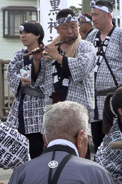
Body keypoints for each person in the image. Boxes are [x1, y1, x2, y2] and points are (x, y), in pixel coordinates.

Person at [86, 0, 122, 153]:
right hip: (94, 101)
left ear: (108, 15)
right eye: (92, 15)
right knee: (98, 147)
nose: (94, 18)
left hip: (114, 99)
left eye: (97, 15)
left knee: (117, 144)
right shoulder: (91, 36)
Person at [42, 9, 97, 157]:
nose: (71, 31)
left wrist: (58, 57)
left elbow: (81, 69)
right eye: (65, 28)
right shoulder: (50, 49)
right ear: (57, 29)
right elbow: (39, 79)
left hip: (77, 108)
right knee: (53, 151)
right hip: (54, 108)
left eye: (74, 26)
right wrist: (36, 59)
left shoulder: (86, 46)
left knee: (78, 147)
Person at [6, 21, 47, 159]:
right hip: (21, 104)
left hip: (40, 104)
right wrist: (20, 79)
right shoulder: (19, 54)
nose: (23, 36)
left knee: (37, 144)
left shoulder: (47, 53)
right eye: (21, 33)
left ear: (38, 35)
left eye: (27, 33)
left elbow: (46, 76)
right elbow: (11, 72)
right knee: (20, 143)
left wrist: (33, 74)